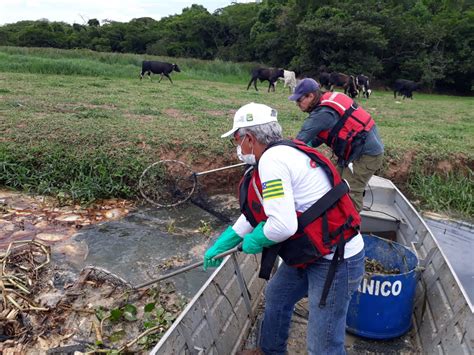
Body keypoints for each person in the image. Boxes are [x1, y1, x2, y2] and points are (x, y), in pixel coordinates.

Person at [203, 102, 365, 355]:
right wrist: (227, 240)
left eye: (236, 139)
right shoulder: (281, 153)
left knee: (322, 345)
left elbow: (282, 225)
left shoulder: (273, 162)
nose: (237, 147)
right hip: (311, 251)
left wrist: (255, 240)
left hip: (336, 259)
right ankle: (270, 351)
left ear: (249, 138)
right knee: (278, 296)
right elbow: (260, 212)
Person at [289, 78, 384, 212]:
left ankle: (351, 229)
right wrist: (308, 144)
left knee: (350, 192)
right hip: (353, 152)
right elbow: (325, 134)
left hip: (365, 156)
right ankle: (336, 219)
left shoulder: (323, 113)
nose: (297, 104)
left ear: (310, 96)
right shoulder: (330, 100)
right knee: (333, 185)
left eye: (299, 100)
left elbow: (299, 141)